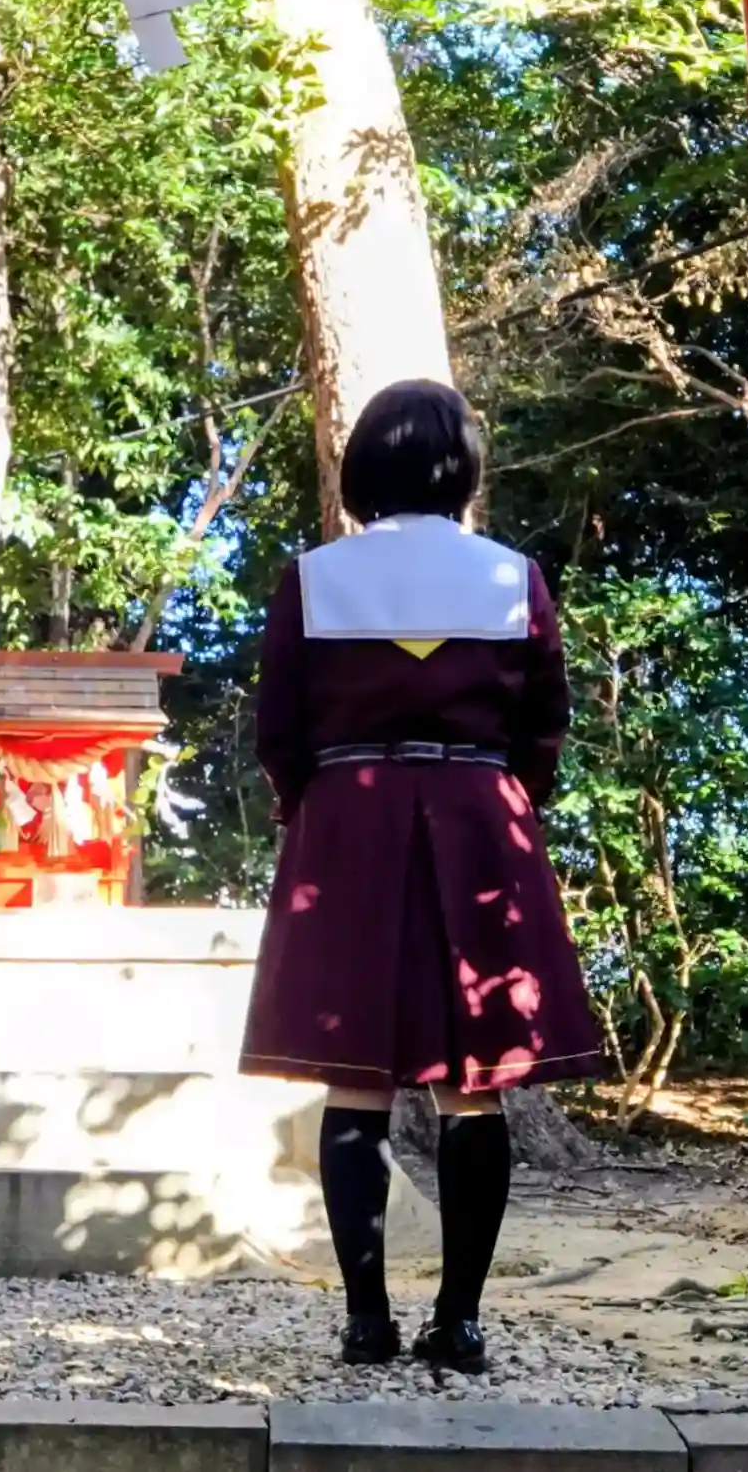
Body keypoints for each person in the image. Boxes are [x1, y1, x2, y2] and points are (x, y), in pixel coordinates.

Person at [240, 379, 604, 1375]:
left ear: (363, 465)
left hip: (347, 825)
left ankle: (366, 1321)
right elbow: (543, 722)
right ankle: (461, 1320)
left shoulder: (313, 579)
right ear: (462, 467)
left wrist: (316, 811)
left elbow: (279, 729)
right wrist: (500, 801)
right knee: (473, 1085)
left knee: (354, 1082)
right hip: (478, 819)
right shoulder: (513, 576)